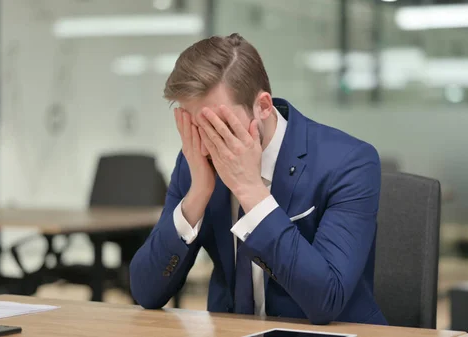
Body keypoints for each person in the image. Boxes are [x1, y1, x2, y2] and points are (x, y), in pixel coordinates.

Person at [129, 33, 387, 325]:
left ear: (263, 106)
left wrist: (251, 191)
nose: (205, 144)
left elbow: (326, 299)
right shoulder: (195, 161)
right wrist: (198, 191)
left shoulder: (349, 162)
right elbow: (146, 292)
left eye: (219, 125)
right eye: (196, 126)